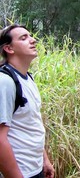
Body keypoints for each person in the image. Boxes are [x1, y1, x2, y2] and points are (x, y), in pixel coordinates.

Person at [0, 24, 54, 178]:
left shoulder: (27, 78)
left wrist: (45, 160)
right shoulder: (5, 82)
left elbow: (32, 122)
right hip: (21, 171)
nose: (33, 40)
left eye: (30, 36)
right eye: (24, 38)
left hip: (35, 167)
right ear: (9, 49)